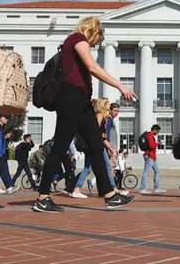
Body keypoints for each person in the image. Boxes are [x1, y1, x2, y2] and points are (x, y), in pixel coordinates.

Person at [33, 17, 137, 213]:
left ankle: (109, 195)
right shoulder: (77, 38)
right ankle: (43, 196)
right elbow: (92, 67)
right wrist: (121, 86)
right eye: (98, 40)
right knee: (60, 147)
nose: (96, 44)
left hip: (82, 101)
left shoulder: (78, 43)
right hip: (70, 98)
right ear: (94, 32)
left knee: (96, 146)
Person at [0, 117, 20, 195]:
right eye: (6, 117)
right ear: (0, 118)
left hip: (0, 153)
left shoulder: (1, 128)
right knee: (3, 169)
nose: (7, 119)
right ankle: (9, 187)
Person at [139, 124, 166, 194]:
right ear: (154, 130)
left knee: (157, 171)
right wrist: (158, 143)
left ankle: (156, 188)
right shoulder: (150, 135)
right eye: (157, 131)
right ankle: (142, 188)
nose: (158, 133)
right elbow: (151, 145)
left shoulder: (150, 135)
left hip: (152, 156)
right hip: (149, 156)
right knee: (146, 172)